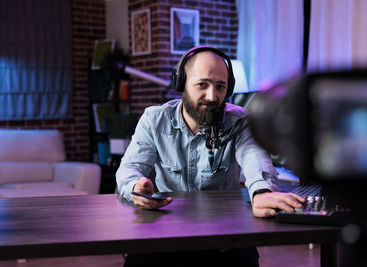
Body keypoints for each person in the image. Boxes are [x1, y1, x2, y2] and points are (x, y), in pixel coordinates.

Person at [116, 46, 304, 267]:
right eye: (202, 84)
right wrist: (136, 187)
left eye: (220, 86)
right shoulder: (154, 120)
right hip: (164, 238)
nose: (212, 96)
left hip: (225, 242)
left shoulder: (240, 121)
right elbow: (128, 169)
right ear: (182, 83)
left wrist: (262, 192)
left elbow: (256, 158)